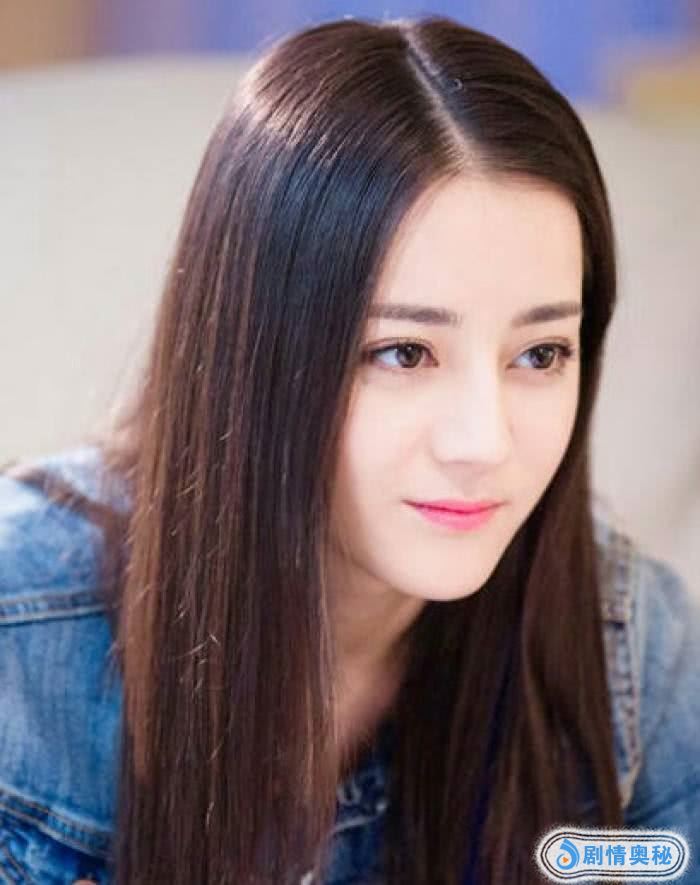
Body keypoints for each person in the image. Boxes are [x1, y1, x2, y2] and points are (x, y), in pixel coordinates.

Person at [0, 14, 698, 885]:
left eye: (539, 354)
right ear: (253, 352)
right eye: (403, 353)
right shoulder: (19, 644)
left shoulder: (629, 643)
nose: (484, 442)